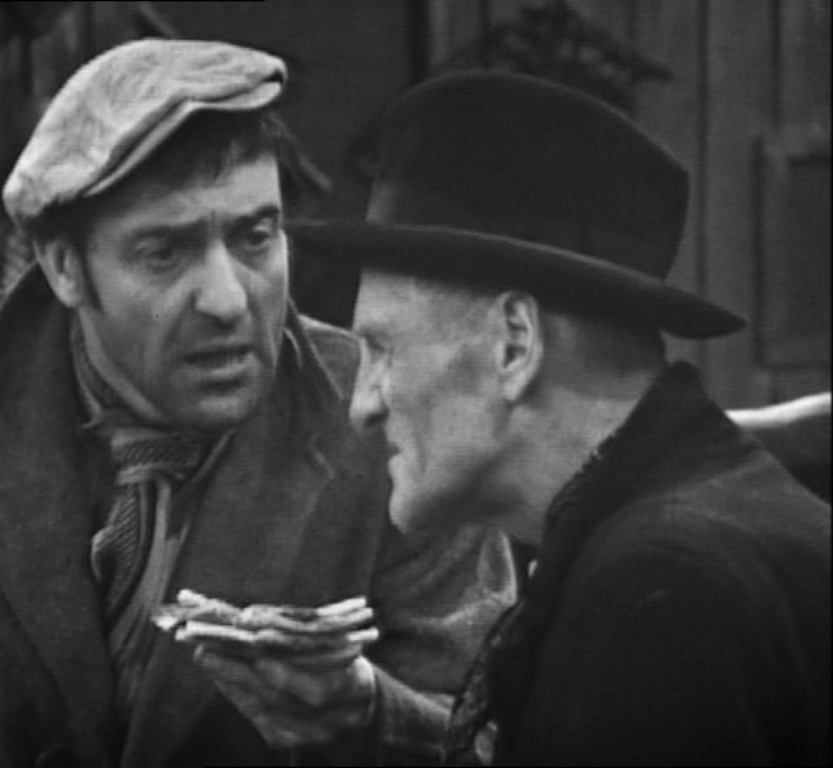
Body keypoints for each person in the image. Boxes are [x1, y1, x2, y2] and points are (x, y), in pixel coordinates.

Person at [0, 41, 516, 768]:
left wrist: (369, 715)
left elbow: (500, 737)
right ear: (63, 266)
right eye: (164, 253)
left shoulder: (388, 413)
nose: (227, 300)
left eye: (255, 237)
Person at [292, 71, 832, 766]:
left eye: (383, 349)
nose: (362, 404)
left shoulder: (660, 591)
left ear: (515, 344)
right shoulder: (684, 531)